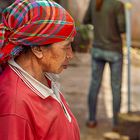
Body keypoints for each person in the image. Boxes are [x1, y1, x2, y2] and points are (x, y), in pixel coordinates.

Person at [0, 0, 80, 140]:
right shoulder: (15, 106)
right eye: (66, 46)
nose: (70, 55)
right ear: (37, 49)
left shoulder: (43, 78)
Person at [83, 0, 126, 129]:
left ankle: (91, 120)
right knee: (116, 87)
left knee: (94, 84)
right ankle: (116, 124)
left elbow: (86, 20)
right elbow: (122, 28)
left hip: (97, 50)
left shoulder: (94, 2)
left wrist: (99, 23)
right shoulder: (118, 5)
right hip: (114, 51)